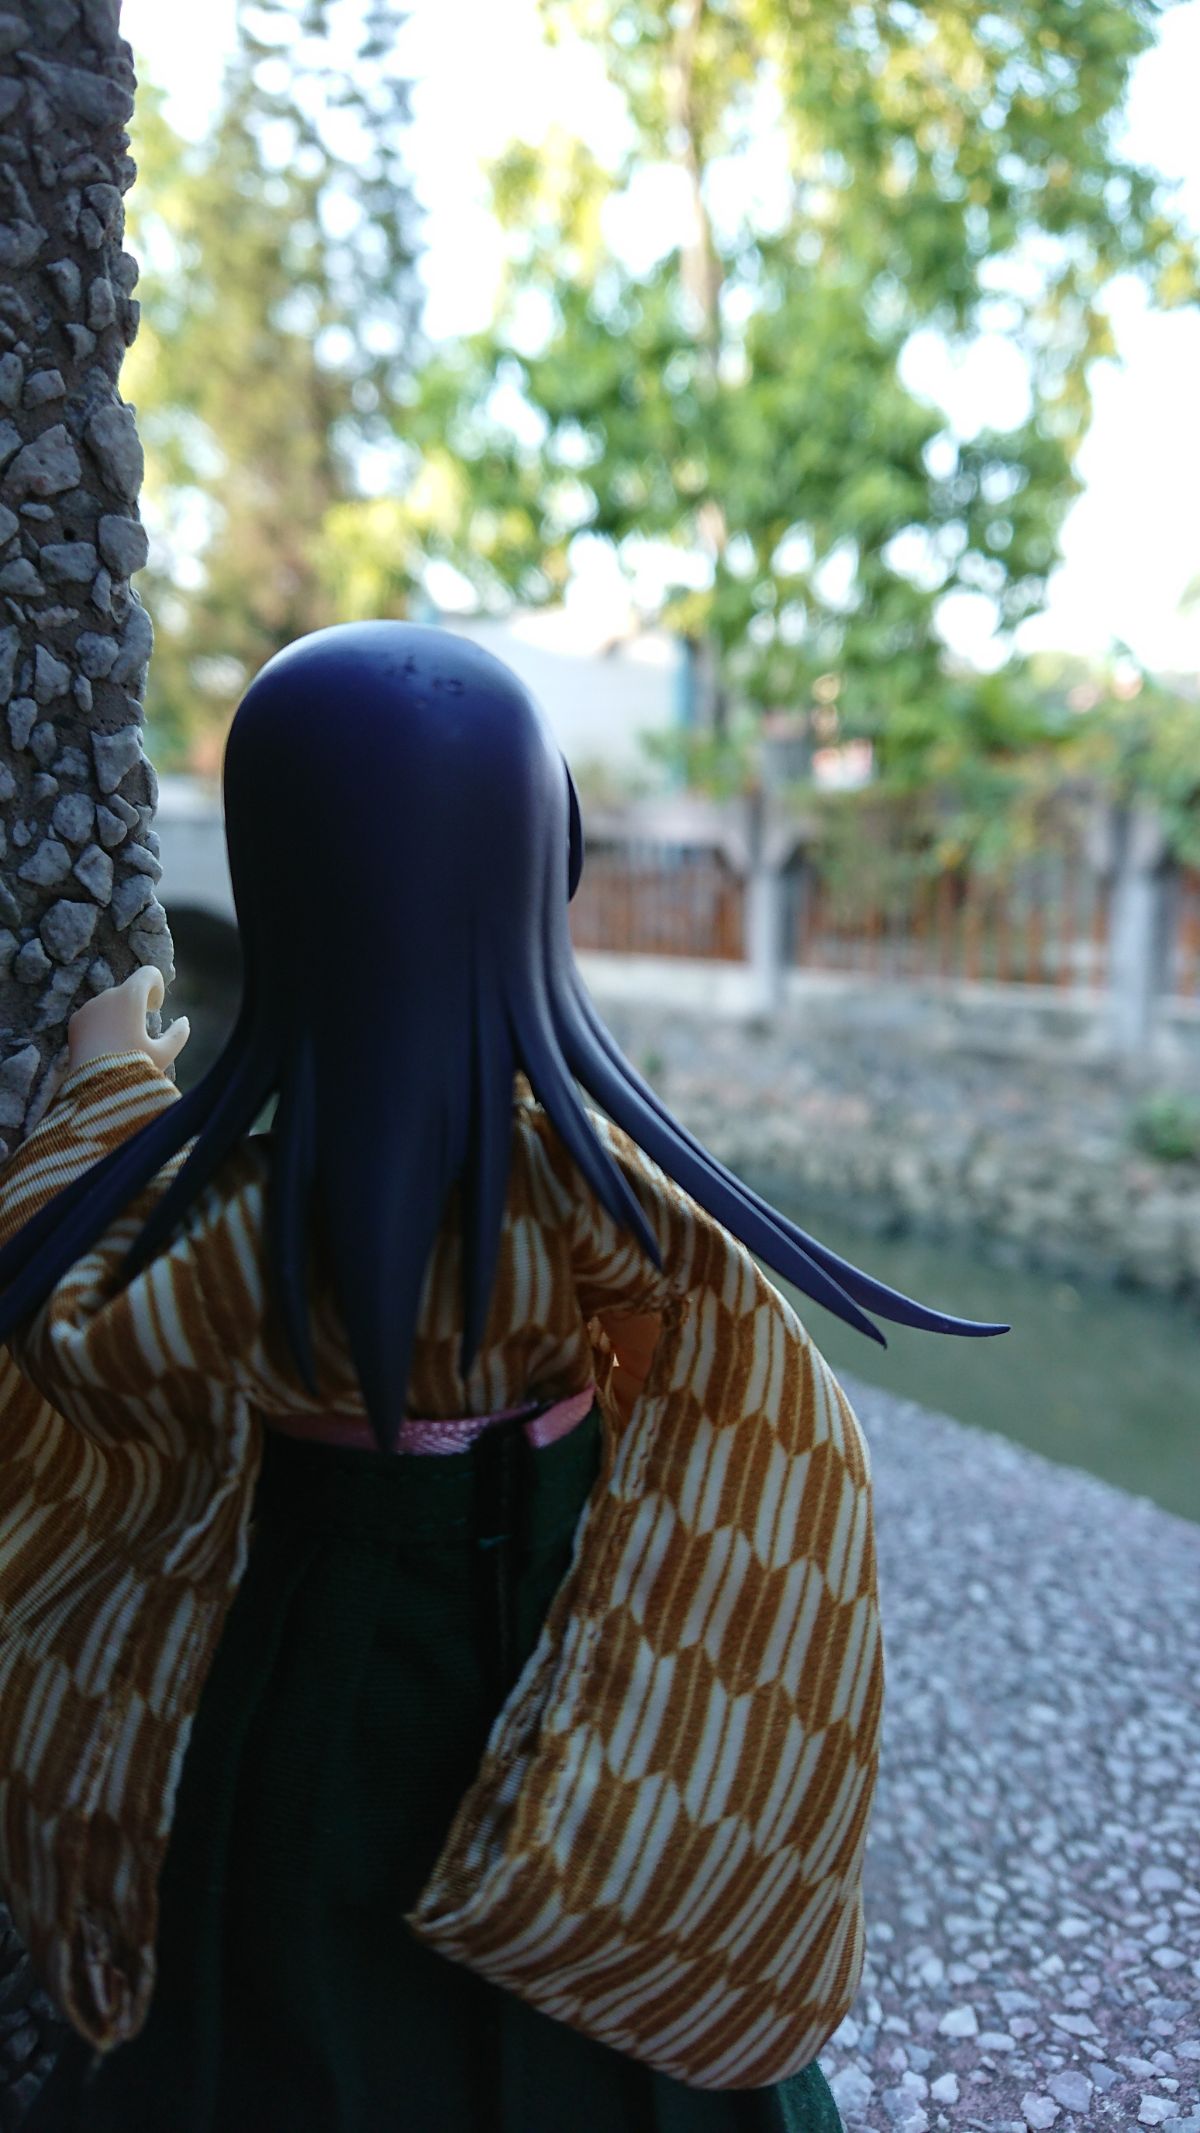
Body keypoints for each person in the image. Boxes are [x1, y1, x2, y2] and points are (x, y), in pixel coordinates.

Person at [0, 623, 1006, 2132]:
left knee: (283, 1947)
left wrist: (103, 1090)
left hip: (308, 1607)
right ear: (539, 871)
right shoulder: (593, 1193)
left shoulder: (243, 1224)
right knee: (605, 1884)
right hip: (554, 1585)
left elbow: (79, 1322)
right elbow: (729, 1373)